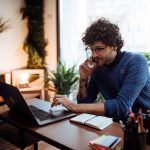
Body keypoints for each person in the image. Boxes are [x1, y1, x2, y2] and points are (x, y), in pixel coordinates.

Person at [51, 18, 150, 121]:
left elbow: (121, 107)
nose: (93, 55)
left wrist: (72, 106)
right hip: (117, 124)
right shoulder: (98, 68)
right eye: (91, 49)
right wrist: (83, 78)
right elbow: (85, 103)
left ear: (114, 46)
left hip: (142, 126)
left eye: (99, 49)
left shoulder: (136, 62)